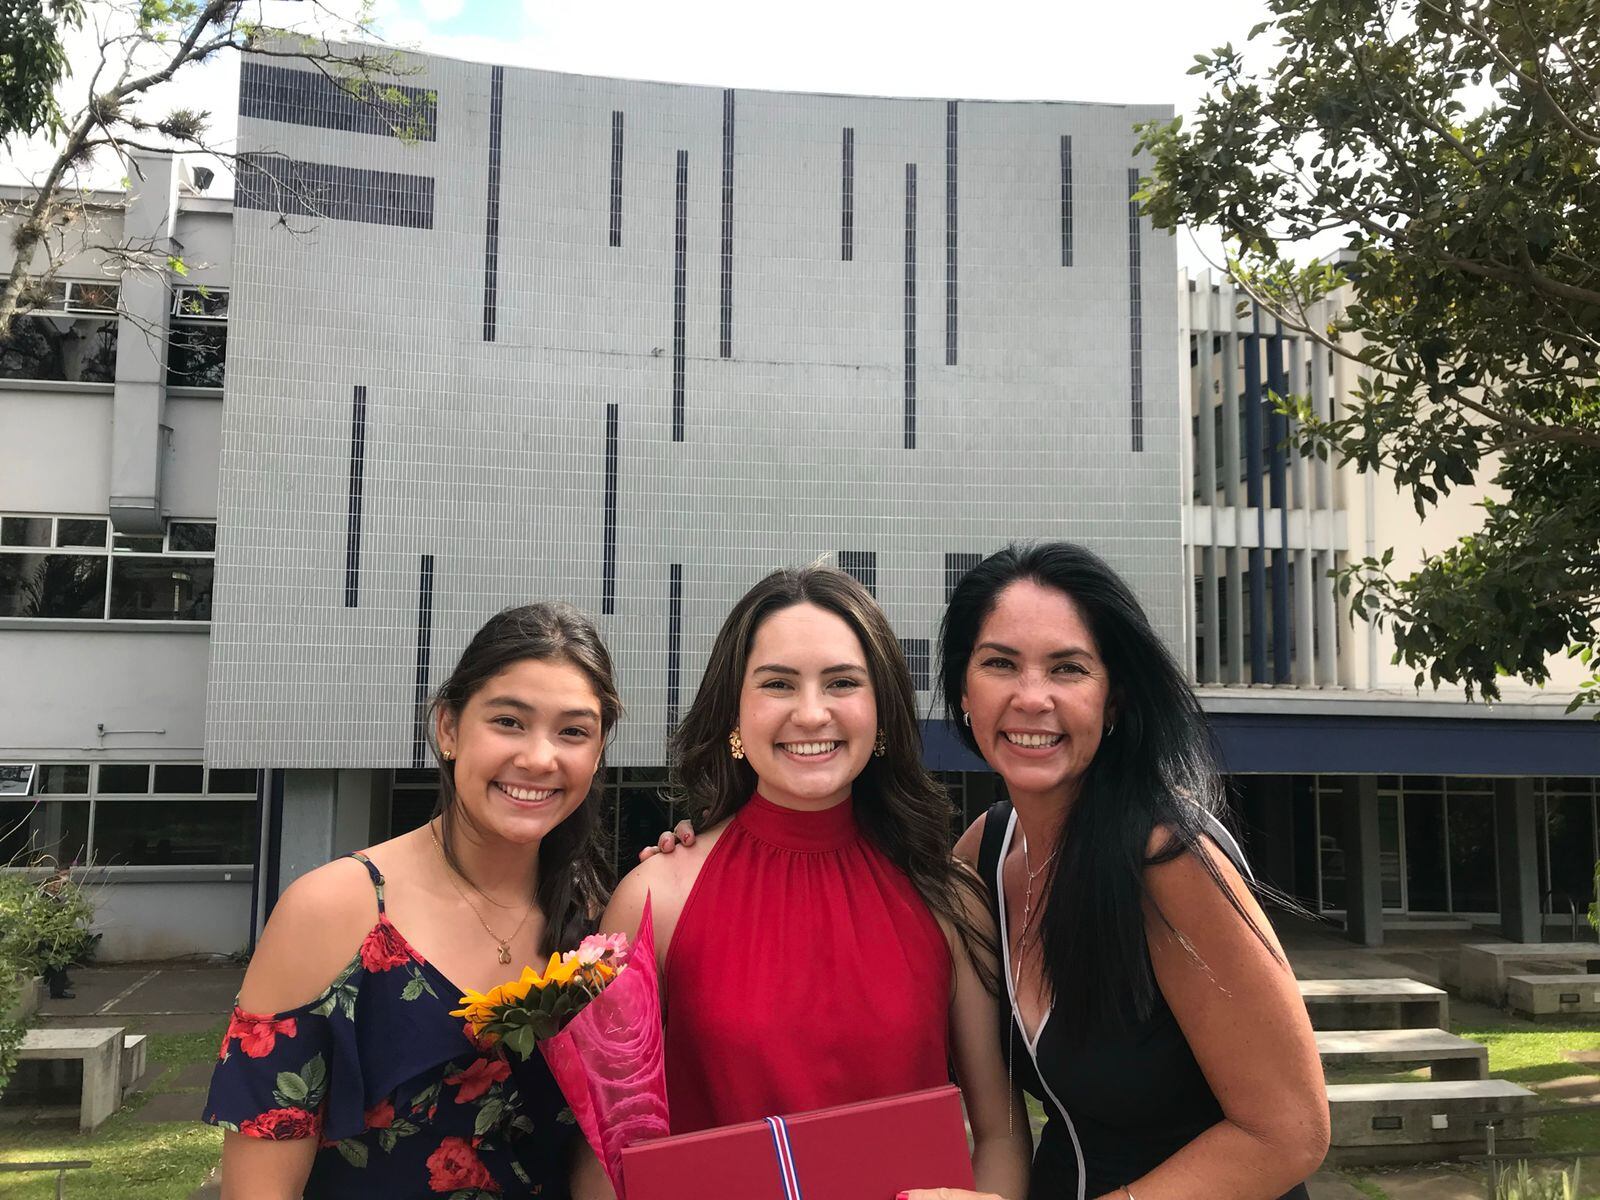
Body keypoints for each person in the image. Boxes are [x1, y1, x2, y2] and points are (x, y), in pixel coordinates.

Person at [592, 565, 1030, 1197]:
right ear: (734, 714)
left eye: (842, 682)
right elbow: (606, 1149)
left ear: (881, 713)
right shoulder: (653, 898)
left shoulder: (948, 898)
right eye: (777, 683)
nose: (811, 712)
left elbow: (1001, 1133)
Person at [936, 543, 1328, 1200]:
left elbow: (1289, 1133)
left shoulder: (1169, 862)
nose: (1031, 698)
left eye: (1068, 669)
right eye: (1000, 664)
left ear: (1113, 701)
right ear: (964, 692)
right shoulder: (982, 853)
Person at [204, 603, 619, 1200]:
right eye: (508, 721)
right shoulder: (332, 910)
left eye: (574, 731)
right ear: (449, 728)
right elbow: (258, 1188)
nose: (539, 758)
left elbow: (602, 1146)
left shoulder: (597, 926)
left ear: (598, 752)